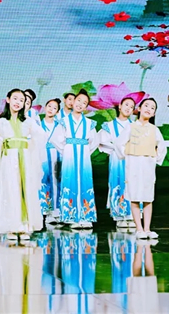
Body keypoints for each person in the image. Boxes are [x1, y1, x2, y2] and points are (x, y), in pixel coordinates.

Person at [0, 89, 46, 240]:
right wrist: (1, 147)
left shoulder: (28, 122)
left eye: (21, 100)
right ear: (8, 99)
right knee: (10, 190)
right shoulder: (1, 122)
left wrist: (30, 146)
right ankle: (11, 226)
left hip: (25, 159)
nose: (18, 102)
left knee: (25, 190)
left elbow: (41, 136)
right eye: (15, 98)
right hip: (8, 159)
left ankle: (25, 226)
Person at [114, 98, 167, 240]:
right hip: (134, 165)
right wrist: (126, 155)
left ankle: (147, 229)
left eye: (152, 108)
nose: (149, 109)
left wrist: (155, 159)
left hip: (148, 165)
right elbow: (119, 143)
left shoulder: (154, 129)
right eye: (146, 106)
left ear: (154, 113)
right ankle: (139, 229)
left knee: (148, 198)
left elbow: (162, 147)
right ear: (139, 109)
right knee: (135, 197)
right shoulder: (130, 127)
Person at [50, 89, 100, 230]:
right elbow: (55, 139)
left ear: (86, 107)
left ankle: (86, 216)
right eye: (78, 100)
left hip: (84, 156)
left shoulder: (89, 123)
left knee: (85, 182)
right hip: (69, 155)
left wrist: (86, 151)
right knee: (70, 182)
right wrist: (67, 151)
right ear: (73, 102)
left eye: (84, 103)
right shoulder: (64, 121)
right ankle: (71, 217)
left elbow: (95, 141)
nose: (80, 104)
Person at [99, 96, 136, 228]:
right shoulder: (109, 126)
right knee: (117, 183)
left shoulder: (135, 126)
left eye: (131, 107)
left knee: (132, 184)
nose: (128, 108)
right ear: (119, 106)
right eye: (126, 105)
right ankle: (119, 216)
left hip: (131, 158)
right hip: (116, 159)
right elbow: (102, 141)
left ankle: (132, 216)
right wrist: (116, 148)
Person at [39, 99, 62, 225]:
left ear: (57, 112)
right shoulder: (38, 124)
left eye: (54, 108)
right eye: (49, 106)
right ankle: (46, 211)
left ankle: (57, 210)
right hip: (42, 156)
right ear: (45, 107)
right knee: (44, 181)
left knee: (56, 181)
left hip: (57, 156)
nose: (50, 109)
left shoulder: (60, 125)